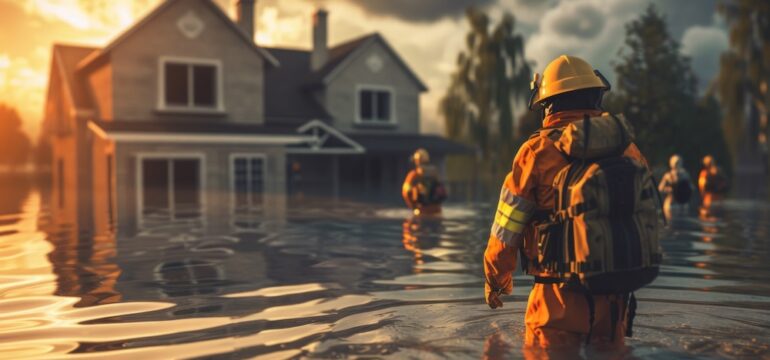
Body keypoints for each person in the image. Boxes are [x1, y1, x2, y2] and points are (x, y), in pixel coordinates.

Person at [483, 55, 661, 351]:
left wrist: (496, 278)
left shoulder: (536, 152)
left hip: (556, 300)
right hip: (616, 300)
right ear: (596, 96)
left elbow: (506, 230)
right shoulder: (628, 148)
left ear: (547, 104)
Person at [402, 149, 447, 216]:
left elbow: (406, 192)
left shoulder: (414, 174)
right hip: (437, 210)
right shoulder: (434, 172)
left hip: (421, 210)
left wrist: (413, 206)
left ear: (417, 161)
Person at [658, 154, 694, 220]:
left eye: (679, 162)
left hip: (682, 204)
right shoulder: (668, 175)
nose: (677, 164)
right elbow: (660, 188)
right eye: (676, 163)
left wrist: (684, 189)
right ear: (672, 163)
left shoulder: (685, 175)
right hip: (671, 203)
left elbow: (692, 187)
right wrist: (668, 189)